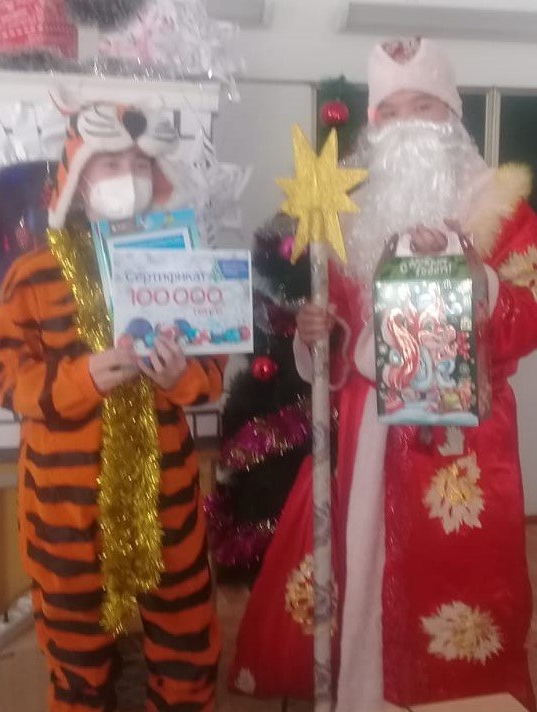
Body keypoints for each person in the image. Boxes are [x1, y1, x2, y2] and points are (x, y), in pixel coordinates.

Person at [230, 37, 537, 711]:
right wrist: (319, 334)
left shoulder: (502, 209)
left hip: (463, 435)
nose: (406, 125)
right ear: (372, 126)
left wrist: (475, 277)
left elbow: (530, 315)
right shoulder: (355, 214)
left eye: (423, 106)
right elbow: (342, 324)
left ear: (451, 116)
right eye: (390, 111)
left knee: (452, 575)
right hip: (368, 423)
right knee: (364, 564)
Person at [0, 101, 224, 711]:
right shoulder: (33, 273)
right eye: (111, 163)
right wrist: (81, 378)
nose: (128, 176)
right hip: (64, 500)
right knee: (77, 658)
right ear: (78, 177)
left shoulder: (183, 266)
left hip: (166, 489)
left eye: (140, 164)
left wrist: (182, 377)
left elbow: (211, 378)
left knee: (188, 644)